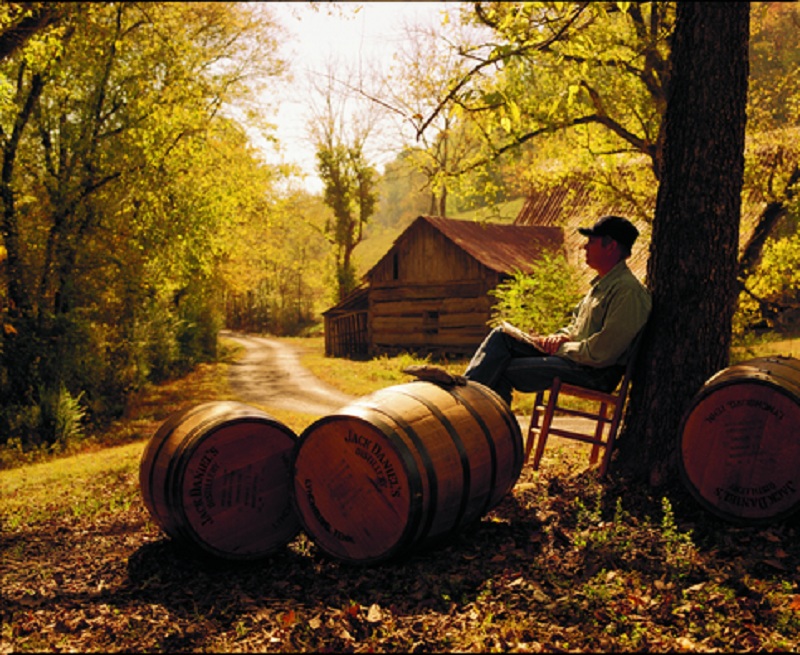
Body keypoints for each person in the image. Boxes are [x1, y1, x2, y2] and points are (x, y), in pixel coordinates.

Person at [458, 214, 652, 407]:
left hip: (594, 372)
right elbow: (576, 326)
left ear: (611, 247)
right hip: (575, 359)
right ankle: (462, 396)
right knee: (502, 336)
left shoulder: (627, 291)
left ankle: (470, 414)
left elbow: (602, 353)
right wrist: (561, 337)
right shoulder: (600, 286)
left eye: (592, 241)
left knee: (501, 369)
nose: (584, 246)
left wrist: (560, 349)